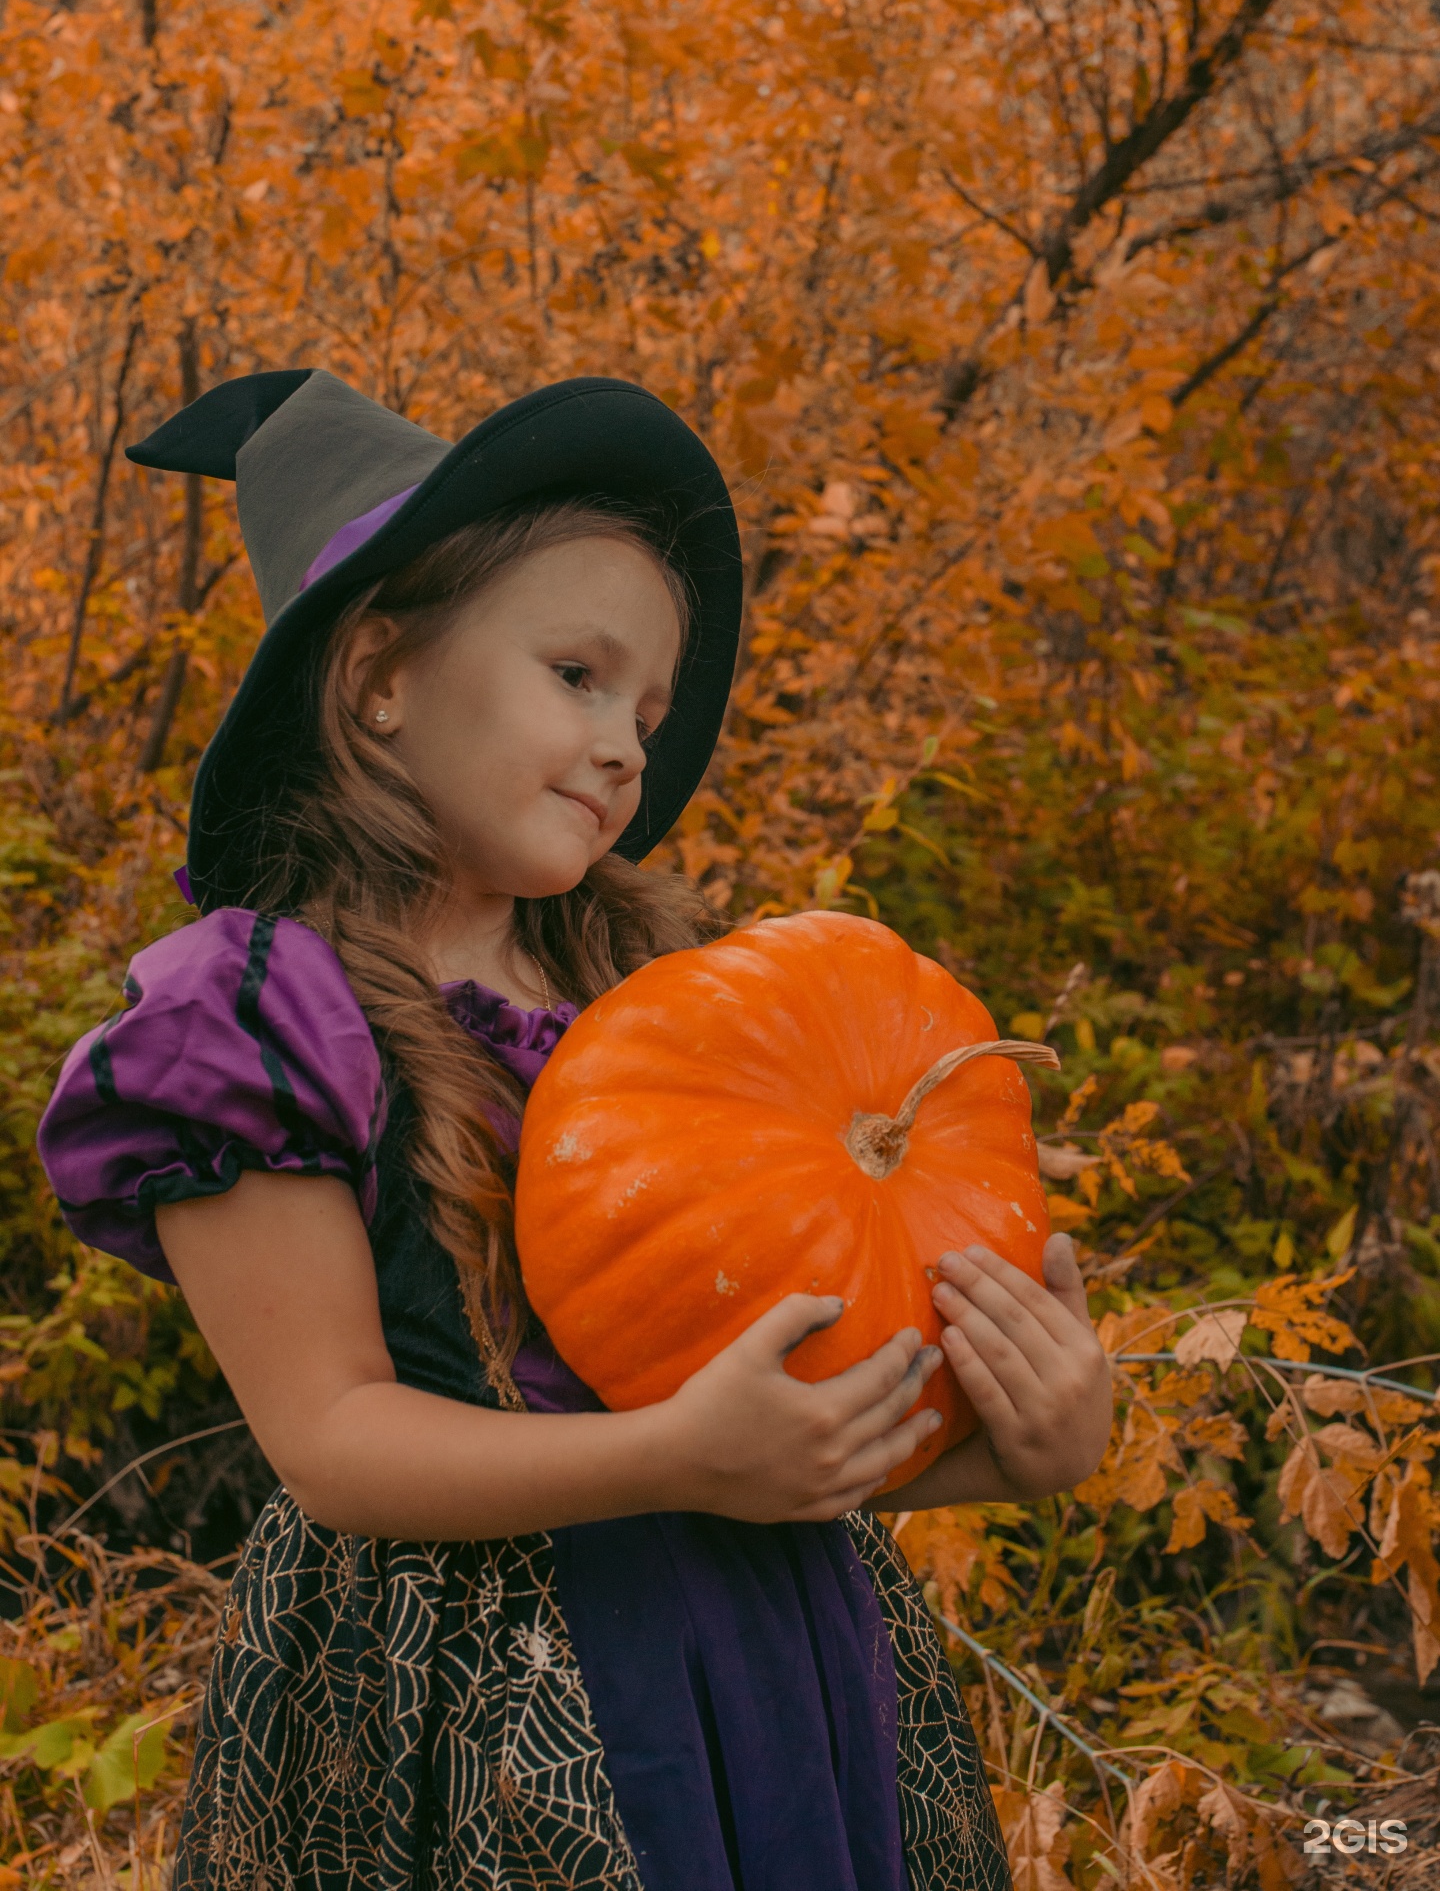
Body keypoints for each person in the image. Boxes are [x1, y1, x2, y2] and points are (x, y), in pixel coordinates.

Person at [38, 369, 1113, 1891]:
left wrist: (1009, 1447)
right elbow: (334, 1440)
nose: (627, 746)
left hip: (766, 1656)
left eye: (650, 711)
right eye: (577, 674)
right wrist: (677, 1454)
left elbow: (774, 1417)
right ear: (378, 679)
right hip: (465, 1707)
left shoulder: (679, 1001)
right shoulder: (255, 1018)